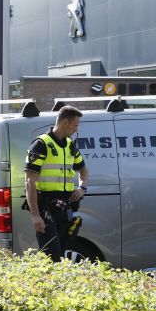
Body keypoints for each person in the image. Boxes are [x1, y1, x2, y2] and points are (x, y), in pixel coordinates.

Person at [24, 105, 89, 260]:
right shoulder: (41, 144)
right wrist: (35, 215)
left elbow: (84, 171)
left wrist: (82, 188)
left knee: (60, 254)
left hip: (65, 209)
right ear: (65, 123)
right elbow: (29, 181)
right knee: (51, 256)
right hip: (46, 209)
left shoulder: (70, 145)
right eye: (75, 125)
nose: (76, 129)